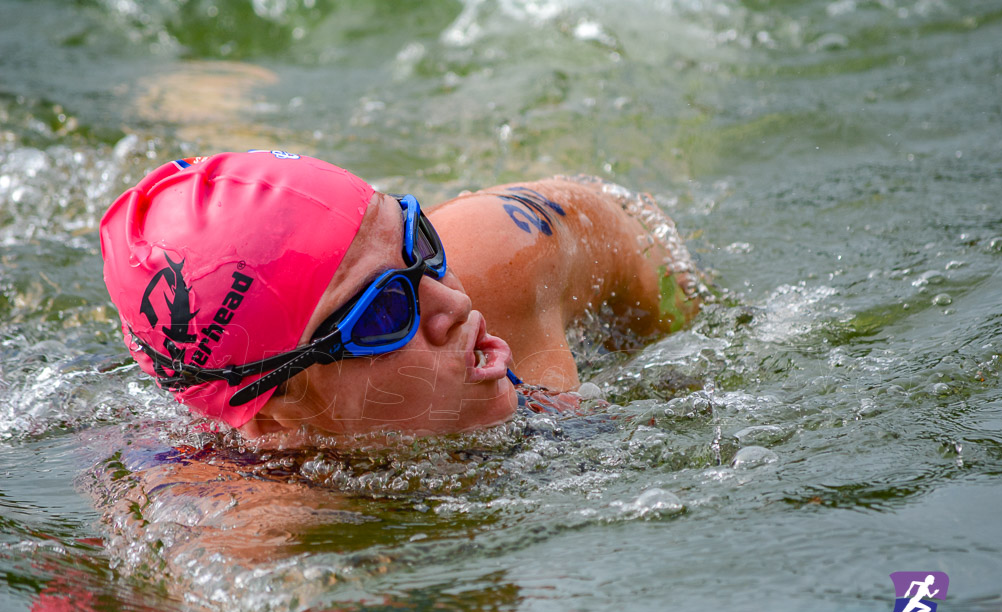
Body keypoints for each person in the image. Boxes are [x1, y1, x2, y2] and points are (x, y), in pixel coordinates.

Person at [100, 151, 700, 443]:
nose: (452, 302)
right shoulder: (256, 538)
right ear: (277, 412)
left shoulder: (506, 254)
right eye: (386, 310)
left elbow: (623, 227)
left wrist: (681, 338)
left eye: (419, 242)